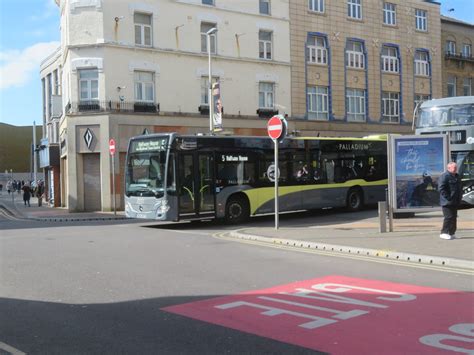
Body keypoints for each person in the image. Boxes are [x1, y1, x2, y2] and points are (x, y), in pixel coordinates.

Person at [438, 162, 463, 240]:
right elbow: (441, 188)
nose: (455, 169)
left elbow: (459, 188)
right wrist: (448, 197)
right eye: (454, 167)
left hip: (455, 201)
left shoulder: (457, 176)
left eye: (456, 167)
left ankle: (451, 233)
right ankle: (444, 232)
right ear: (449, 168)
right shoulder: (444, 176)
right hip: (447, 202)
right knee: (448, 217)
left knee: (454, 217)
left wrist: (459, 197)